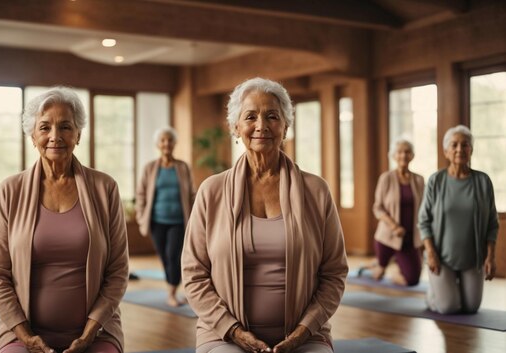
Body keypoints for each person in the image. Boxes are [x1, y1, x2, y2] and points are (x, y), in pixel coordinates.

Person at [182, 78, 348, 353]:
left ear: (285, 126)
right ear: (236, 127)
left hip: (305, 334)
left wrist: (303, 331)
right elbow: (194, 273)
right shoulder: (211, 191)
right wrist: (234, 331)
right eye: (250, 117)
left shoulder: (316, 191)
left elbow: (334, 273)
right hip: (224, 335)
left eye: (272, 116)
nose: (261, 126)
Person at [0, 87, 128, 353]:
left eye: (65, 127)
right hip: (21, 333)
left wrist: (88, 334)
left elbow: (118, 271)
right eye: (44, 127)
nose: (55, 136)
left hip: (97, 332)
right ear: (32, 136)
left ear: (78, 134)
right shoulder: (10, 190)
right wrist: (25, 336)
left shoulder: (105, 187)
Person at [418, 125, 499, 314]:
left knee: (471, 307)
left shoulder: (483, 181)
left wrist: (491, 256)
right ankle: (433, 294)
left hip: (473, 258)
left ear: (471, 149)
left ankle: (451, 289)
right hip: (440, 258)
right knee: (448, 307)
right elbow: (423, 221)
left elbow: (492, 224)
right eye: (454, 145)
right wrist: (430, 253)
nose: (459, 149)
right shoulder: (435, 181)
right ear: (446, 151)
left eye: (465, 145)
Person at [136, 127, 195, 307]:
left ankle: (171, 292)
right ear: (158, 144)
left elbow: (192, 194)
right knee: (164, 256)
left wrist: (196, 218)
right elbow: (141, 195)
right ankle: (176, 287)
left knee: (173, 255)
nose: (166, 143)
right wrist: (140, 217)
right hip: (156, 221)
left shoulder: (183, 167)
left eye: (170, 140)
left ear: (174, 143)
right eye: (163, 140)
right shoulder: (150, 168)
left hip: (178, 221)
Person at [367, 138, 424, 286]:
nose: (403, 155)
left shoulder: (419, 180)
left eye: (407, 152)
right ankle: (380, 264)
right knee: (378, 274)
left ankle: (395, 267)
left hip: (409, 240)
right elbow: (377, 208)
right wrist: (394, 226)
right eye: (399, 152)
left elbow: (424, 208)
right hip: (387, 238)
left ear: (412, 155)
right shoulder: (386, 178)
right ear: (393, 155)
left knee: (412, 280)